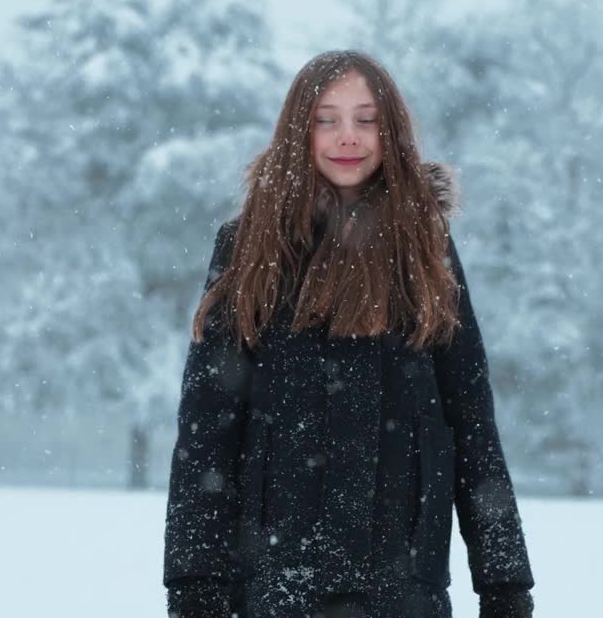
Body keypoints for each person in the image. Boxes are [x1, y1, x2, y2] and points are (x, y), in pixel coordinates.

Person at [162, 50, 536, 618]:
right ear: (298, 129)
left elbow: (471, 419)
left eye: (367, 119)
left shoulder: (425, 246)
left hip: (402, 578)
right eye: (326, 119)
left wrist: (505, 583)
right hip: (277, 577)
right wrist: (194, 584)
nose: (348, 137)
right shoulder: (248, 246)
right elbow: (207, 429)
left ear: (391, 131)